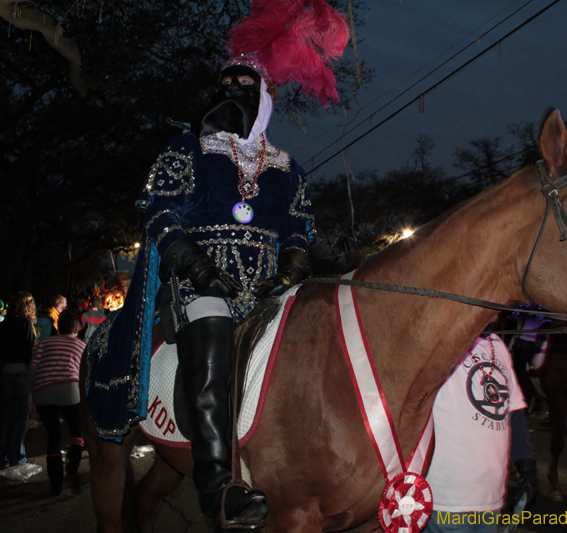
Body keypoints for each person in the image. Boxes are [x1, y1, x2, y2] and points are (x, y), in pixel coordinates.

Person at [83, 2, 349, 529]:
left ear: (266, 96)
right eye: (226, 81)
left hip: (270, 287)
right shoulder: (187, 149)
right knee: (210, 324)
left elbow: (300, 230)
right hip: (199, 285)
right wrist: (197, 268)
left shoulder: (288, 169)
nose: (233, 89)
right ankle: (218, 489)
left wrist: (292, 269)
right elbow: (160, 211)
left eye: (246, 83)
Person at [425, 335, 534, 533]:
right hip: (448, 500)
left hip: (491, 500)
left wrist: (527, 466)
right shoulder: (440, 337)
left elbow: (514, 411)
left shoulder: (497, 343)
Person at [28, 310, 86, 496]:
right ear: (77, 328)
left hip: (44, 391)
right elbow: (85, 374)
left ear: (58, 327)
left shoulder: (43, 344)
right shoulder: (80, 346)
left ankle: (55, 484)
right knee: (77, 431)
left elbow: (32, 369)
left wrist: (30, 399)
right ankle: (73, 464)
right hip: (69, 389)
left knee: (53, 436)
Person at [0, 292, 37, 467]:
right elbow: (29, 351)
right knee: (20, 415)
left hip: (5, 371)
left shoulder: (4, 325)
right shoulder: (25, 325)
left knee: (6, 413)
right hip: (21, 372)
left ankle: (3, 454)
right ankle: (16, 454)